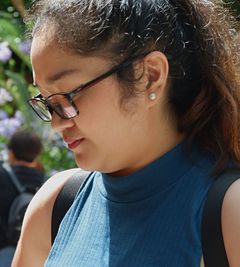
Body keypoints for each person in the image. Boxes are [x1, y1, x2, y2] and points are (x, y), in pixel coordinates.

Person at [13, 0, 240, 266]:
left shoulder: (228, 213)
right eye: (48, 102)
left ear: (149, 76)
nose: (56, 123)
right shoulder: (54, 206)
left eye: (67, 95)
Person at [0, 129, 45, 267]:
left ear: (11, 153)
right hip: (37, 250)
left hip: (6, 248)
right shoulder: (45, 179)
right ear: (36, 154)